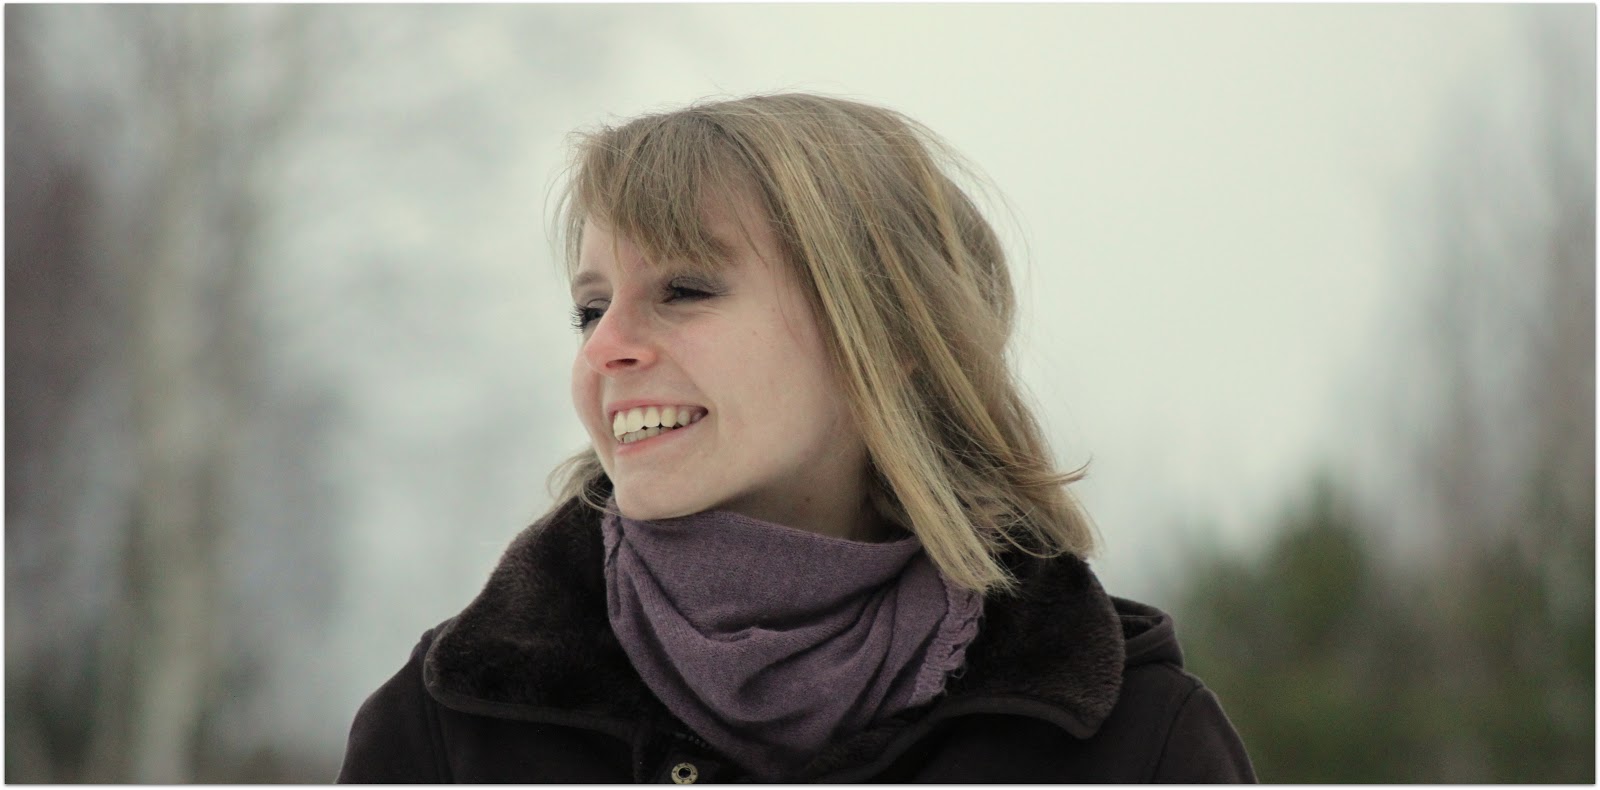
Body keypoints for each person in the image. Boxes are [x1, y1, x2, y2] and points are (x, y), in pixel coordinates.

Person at [337, 92, 1256, 783]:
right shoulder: (449, 731)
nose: (606, 347)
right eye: (589, 308)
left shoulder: (1134, 742)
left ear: (888, 336)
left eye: (683, 290)